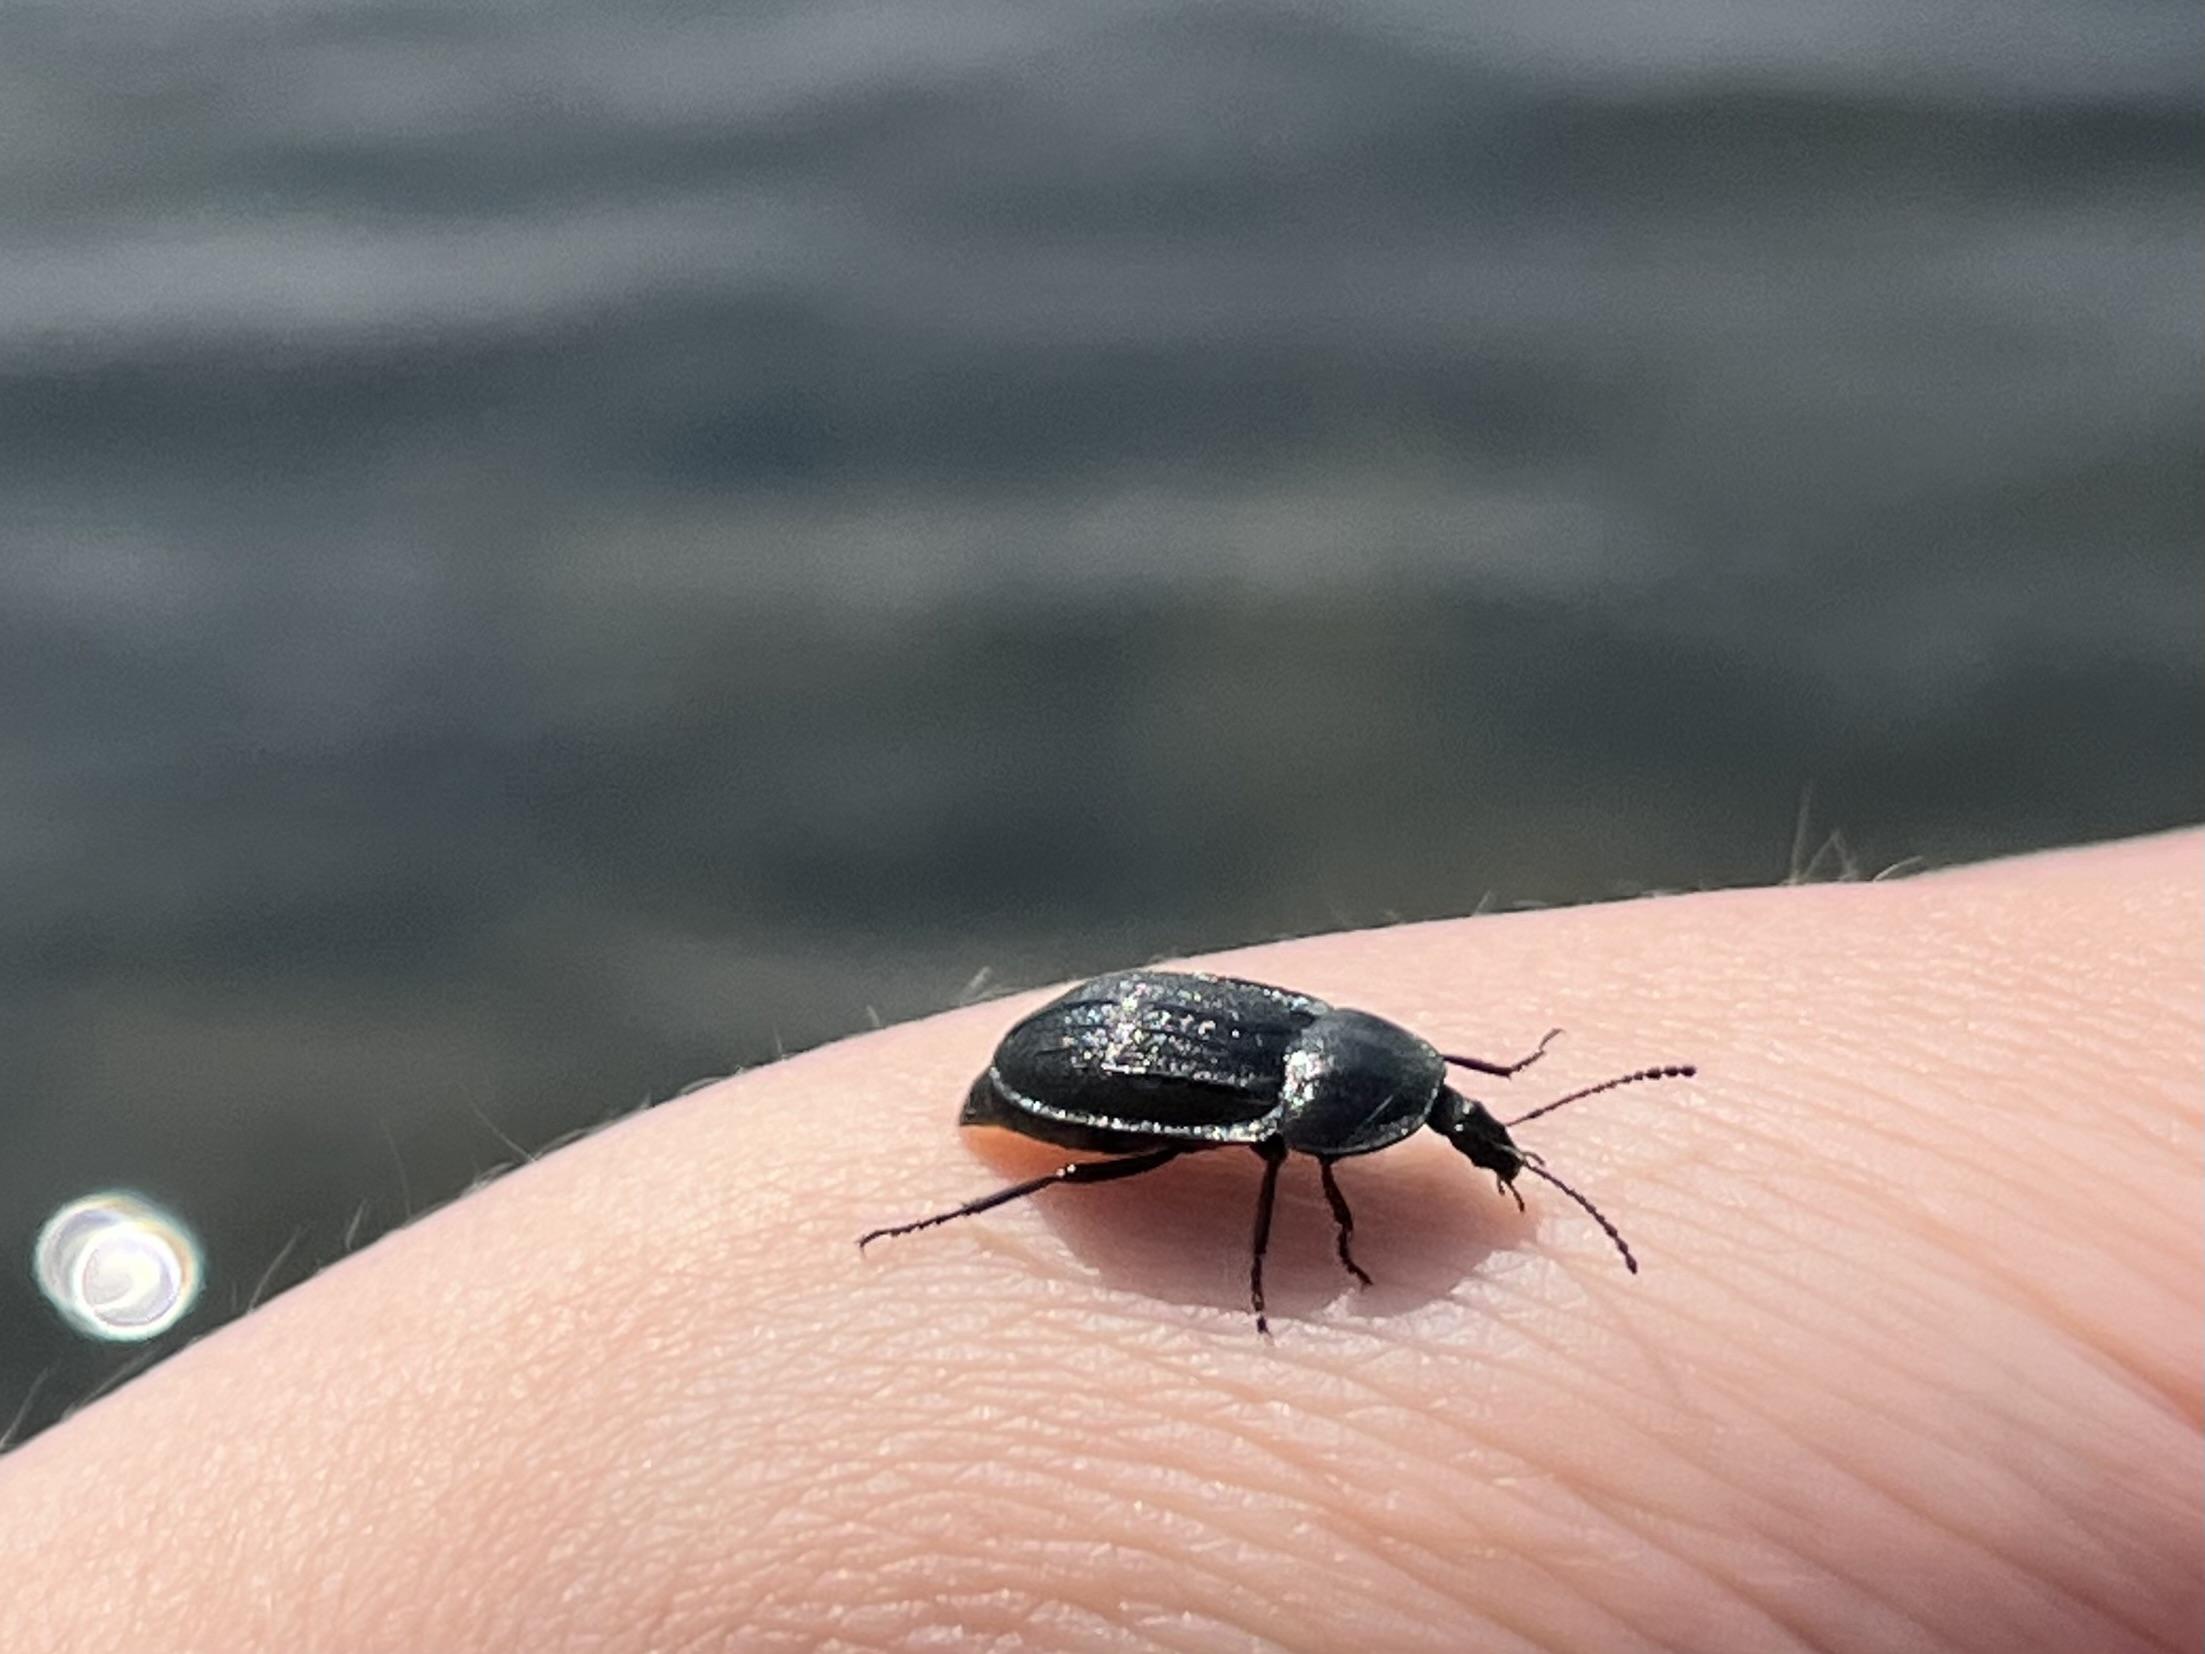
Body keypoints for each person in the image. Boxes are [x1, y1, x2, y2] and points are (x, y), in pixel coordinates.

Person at [1, 830, 2196, 1652]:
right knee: (1081, 1167)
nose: (1457, 1127)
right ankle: (928, 1216)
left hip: (1164, 1045)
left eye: (1463, 1114)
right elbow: (1278, 1139)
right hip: (1076, 1073)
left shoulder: (1359, 1080)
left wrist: (1471, 1110)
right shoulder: (1305, 1116)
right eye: (1457, 1109)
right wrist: (1290, 1281)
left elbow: (1378, 1097)